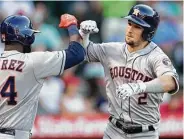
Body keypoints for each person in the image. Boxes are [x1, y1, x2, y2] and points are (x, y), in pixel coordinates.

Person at [79, 4, 179, 139]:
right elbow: (84, 52)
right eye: (130, 23)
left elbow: (171, 82)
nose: (130, 30)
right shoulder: (112, 49)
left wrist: (140, 86)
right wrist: (84, 35)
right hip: (113, 130)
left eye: (137, 27)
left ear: (148, 32)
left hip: (144, 133)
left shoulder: (156, 56)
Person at [0, 13, 85, 139]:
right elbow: (77, 54)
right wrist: (72, 26)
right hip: (15, 135)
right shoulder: (33, 61)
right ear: (25, 36)